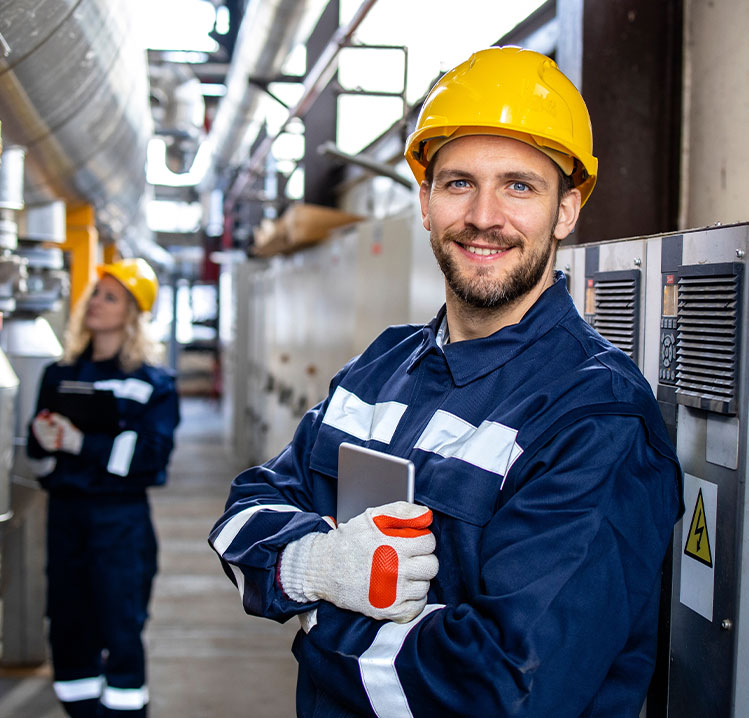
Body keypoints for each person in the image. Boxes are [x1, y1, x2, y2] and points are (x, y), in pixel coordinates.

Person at [209, 46, 683, 717]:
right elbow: (242, 518)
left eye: (519, 185)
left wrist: (316, 622)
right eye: (458, 183)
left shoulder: (594, 416)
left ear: (566, 211)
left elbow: (504, 688)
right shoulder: (382, 367)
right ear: (426, 202)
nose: (484, 216)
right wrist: (313, 567)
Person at [27, 258, 180, 718]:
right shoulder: (58, 374)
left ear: (132, 313)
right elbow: (39, 466)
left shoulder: (152, 383)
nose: (95, 302)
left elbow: (151, 460)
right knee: (69, 626)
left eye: (110, 297)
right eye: (95, 292)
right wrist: (45, 443)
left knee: (120, 626)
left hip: (120, 524)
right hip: (65, 517)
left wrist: (83, 443)